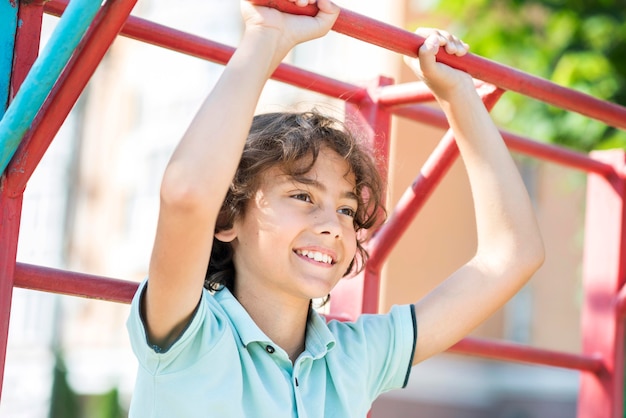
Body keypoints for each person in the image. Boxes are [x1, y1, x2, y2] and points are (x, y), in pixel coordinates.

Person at [126, 0, 545, 416]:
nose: (332, 225)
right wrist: (265, 37)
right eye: (303, 197)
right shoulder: (188, 333)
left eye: (346, 210)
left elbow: (512, 256)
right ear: (227, 218)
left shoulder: (352, 357)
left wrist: (458, 95)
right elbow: (186, 196)